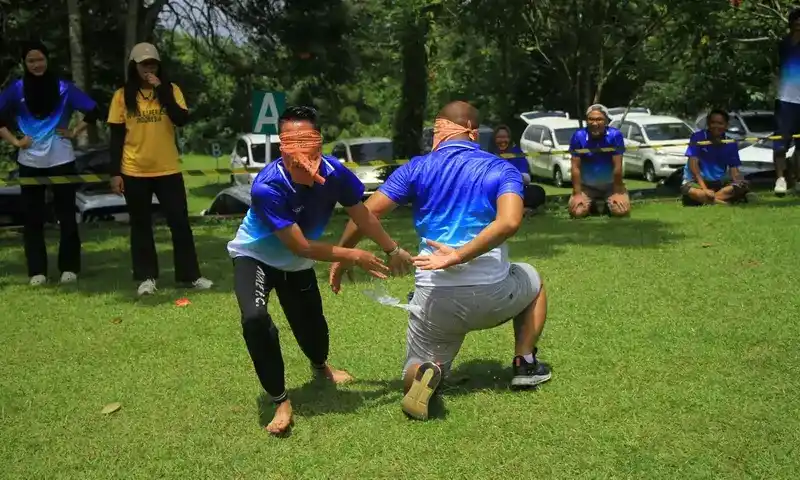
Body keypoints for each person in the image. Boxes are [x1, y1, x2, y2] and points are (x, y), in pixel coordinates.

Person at [330, 101, 552, 421]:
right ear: (474, 132)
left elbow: (366, 213)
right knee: (532, 278)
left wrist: (343, 254)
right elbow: (509, 222)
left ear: (438, 131)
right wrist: (460, 255)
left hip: (435, 300)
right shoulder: (501, 168)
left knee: (416, 365)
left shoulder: (416, 167)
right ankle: (525, 363)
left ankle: (426, 371)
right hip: (495, 295)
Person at [227, 105, 412, 435]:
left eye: (307, 142)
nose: (300, 152)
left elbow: (363, 214)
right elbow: (300, 245)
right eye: (290, 143)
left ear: (319, 143)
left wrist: (392, 248)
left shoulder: (335, 172)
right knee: (254, 319)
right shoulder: (267, 187)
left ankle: (320, 366)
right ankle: (280, 399)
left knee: (311, 325)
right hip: (255, 256)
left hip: (296, 263)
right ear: (282, 147)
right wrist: (351, 255)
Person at [107, 42, 212, 296]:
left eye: (152, 64)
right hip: (134, 170)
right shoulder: (122, 95)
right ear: (134, 67)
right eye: (144, 65)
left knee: (179, 223)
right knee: (141, 226)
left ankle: (190, 276)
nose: (148, 68)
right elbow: (116, 138)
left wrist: (161, 91)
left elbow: (181, 119)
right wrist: (115, 173)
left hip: (167, 168)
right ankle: (146, 277)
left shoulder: (171, 90)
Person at [0, 40, 102, 286]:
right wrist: (15, 141)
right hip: (29, 162)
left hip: (62, 160)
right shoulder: (16, 89)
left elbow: (94, 110)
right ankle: (37, 271)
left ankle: (69, 268)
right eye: (31, 60)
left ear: (47, 60)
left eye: (40, 59)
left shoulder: (64, 88)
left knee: (66, 215)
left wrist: (74, 132)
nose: (37, 65)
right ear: (24, 63)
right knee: (32, 218)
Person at [568, 104, 630, 218]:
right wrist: (577, 194)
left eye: (599, 119)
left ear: (606, 121)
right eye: (591, 119)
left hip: (611, 186)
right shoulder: (578, 136)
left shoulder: (615, 135)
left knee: (621, 211)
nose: (595, 123)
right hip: (587, 187)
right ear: (587, 121)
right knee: (577, 212)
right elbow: (575, 167)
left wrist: (617, 192)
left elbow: (618, 167)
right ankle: (593, 206)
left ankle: (605, 204)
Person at [681, 109, 749, 206]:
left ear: (726, 125)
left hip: (718, 183)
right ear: (708, 124)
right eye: (713, 123)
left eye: (720, 123)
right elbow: (693, 166)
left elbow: (734, 170)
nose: (716, 126)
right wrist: (705, 189)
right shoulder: (697, 137)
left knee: (742, 186)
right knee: (691, 191)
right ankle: (722, 203)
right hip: (696, 182)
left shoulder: (731, 143)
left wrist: (739, 183)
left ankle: (706, 200)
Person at [773, 8, 800, 196]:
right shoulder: (783, 43)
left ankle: (798, 181)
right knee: (780, 143)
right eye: (796, 20)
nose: (799, 23)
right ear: (790, 22)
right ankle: (780, 179)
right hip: (785, 99)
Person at [493, 125, 546, 211]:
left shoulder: (517, 153)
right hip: (495, 189)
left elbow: (527, 178)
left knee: (538, 191)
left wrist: (510, 176)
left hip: (515, 188)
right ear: (494, 139)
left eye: (506, 137)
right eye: (499, 137)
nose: (503, 140)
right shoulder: (489, 154)